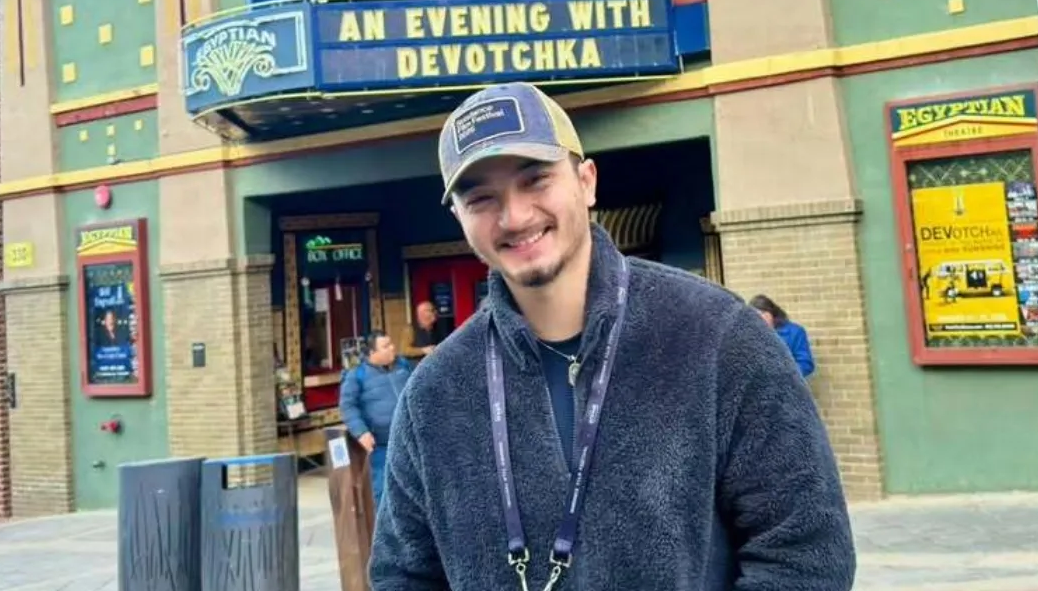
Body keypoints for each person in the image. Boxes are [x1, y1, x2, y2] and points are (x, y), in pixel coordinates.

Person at [369, 82, 854, 590]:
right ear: (460, 219)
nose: (514, 216)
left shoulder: (717, 336)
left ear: (586, 181)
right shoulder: (434, 394)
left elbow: (806, 551)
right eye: (481, 198)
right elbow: (403, 575)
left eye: (535, 180)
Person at [338, 330, 411, 508]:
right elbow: (348, 406)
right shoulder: (357, 375)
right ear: (372, 353)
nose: (392, 348)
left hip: (410, 441)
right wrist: (361, 432)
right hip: (381, 445)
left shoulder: (404, 366)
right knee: (385, 495)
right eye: (385, 346)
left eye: (391, 343)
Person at [751, 294, 816, 378]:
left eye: (763, 313)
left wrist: (783, 375)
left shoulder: (795, 332)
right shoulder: (751, 334)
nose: (759, 318)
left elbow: (806, 364)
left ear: (772, 313)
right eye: (755, 315)